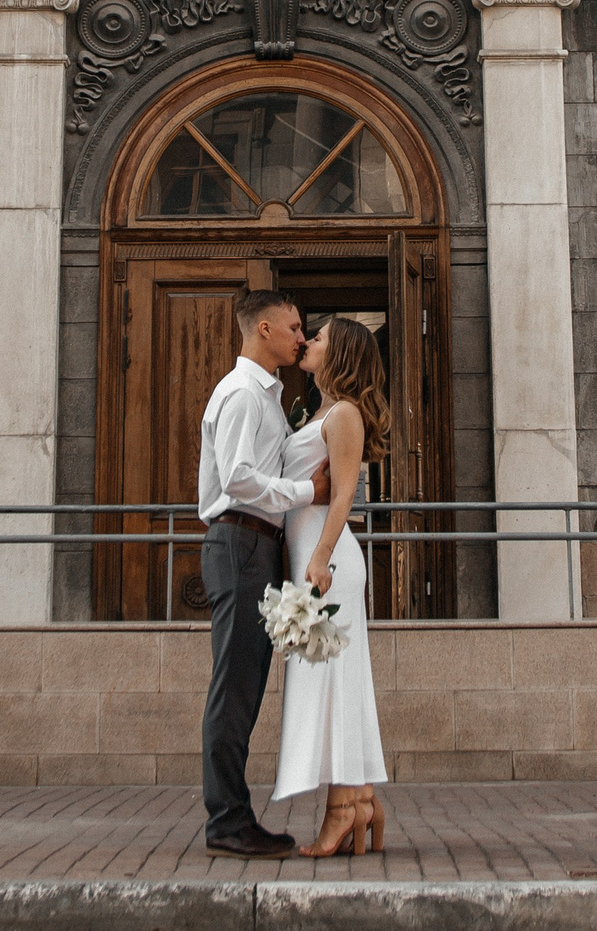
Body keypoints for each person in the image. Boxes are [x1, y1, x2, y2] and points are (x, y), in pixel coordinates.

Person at [197, 286, 328, 858]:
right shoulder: (244, 395)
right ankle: (227, 821)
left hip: (255, 545)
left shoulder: (267, 395)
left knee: (245, 687)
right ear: (265, 330)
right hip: (239, 543)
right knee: (235, 687)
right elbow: (237, 478)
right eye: (295, 327)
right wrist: (309, 490)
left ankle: (233, 816)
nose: (302, 337)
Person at [273, 315, 392, 855]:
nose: (307, 342)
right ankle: (362, 800)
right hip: (311, 556)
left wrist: (320, 558)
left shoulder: (343, 414)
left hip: (329, 564)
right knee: (338, 681)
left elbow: (344, 494)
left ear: (339, 351)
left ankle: (342, 810)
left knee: (334, 683)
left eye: (316, 337)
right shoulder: (319, 410)